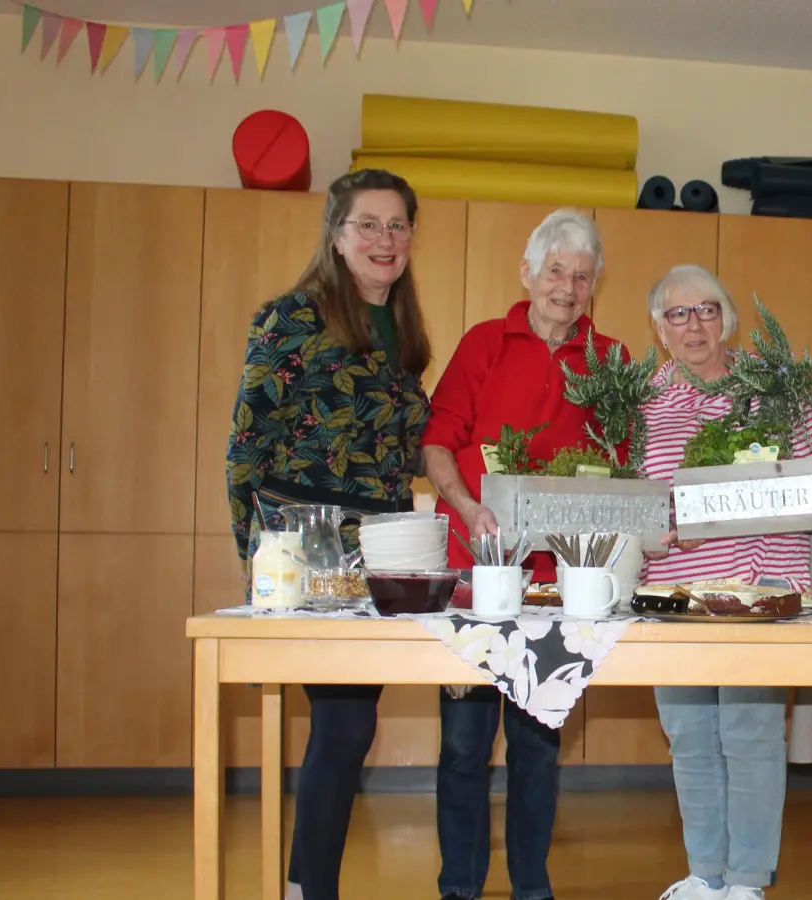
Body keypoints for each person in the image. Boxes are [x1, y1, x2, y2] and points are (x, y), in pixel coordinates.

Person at [225, 168, 435, 900]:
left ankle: (303, 883)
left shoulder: (402, 328)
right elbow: (247, 445)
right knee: (345, 725)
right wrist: (255, 558)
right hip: (308, 545)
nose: (385, 239)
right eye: (367, 224)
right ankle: (310, 888)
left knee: (349, 726)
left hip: (378, 546)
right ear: (337, 236)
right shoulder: (291, 317)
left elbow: (406, 445)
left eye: (397, 225)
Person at [422, 208, 627, 900]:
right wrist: (466, 506)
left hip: (559, 586)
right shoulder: (484, 342)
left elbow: (624, 463)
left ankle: (531, 888)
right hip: (472, 576)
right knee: (463, 744)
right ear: (527, 273)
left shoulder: (610, 360)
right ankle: (459, 887)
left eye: (581, 276)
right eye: (555, 271)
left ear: (595, 285)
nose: (567, 287)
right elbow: (438, 441)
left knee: (538, 746)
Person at [637, 265, 812, 900]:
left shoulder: (775, 387)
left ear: (727, 319)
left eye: (707, 310)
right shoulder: (642, 403)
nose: (694, 324)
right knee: (689, 738)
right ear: (659, 327)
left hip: (761, 591)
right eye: (678, 313)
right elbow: (632, 500)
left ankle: (748, 881)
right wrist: (654, 528)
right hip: (675, 594)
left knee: (751, 732)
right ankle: (706, 876)